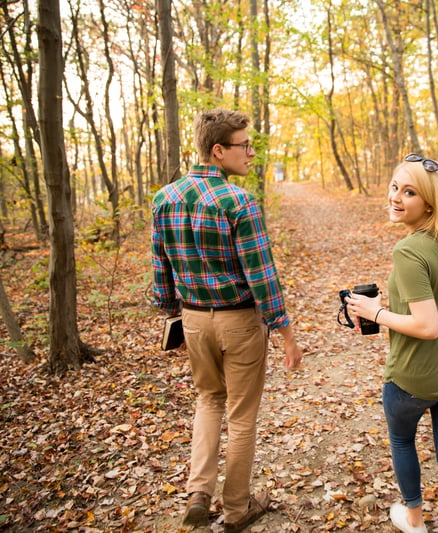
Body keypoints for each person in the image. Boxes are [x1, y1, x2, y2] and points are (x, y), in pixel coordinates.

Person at [151, 108, 303, 533]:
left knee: (207, 400)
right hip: (238, 322)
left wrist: (169, 314)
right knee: (241, 415)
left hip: (194, 321)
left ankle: (198, 492)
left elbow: (160, 271)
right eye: (244, 146)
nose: (251, 153)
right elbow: (263, 278)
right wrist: (287, 336)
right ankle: (236, 510)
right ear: (218, 151)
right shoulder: (240, 203)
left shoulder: (165, 199)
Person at [345, 154, 438, 533]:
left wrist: (375, 312)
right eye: (395, 187)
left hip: (414, 379)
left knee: (402, 440)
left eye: (409, 192)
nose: (396, 197)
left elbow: (427, 327)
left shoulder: (409, 250)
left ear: (429, 202)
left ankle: (414, 520)